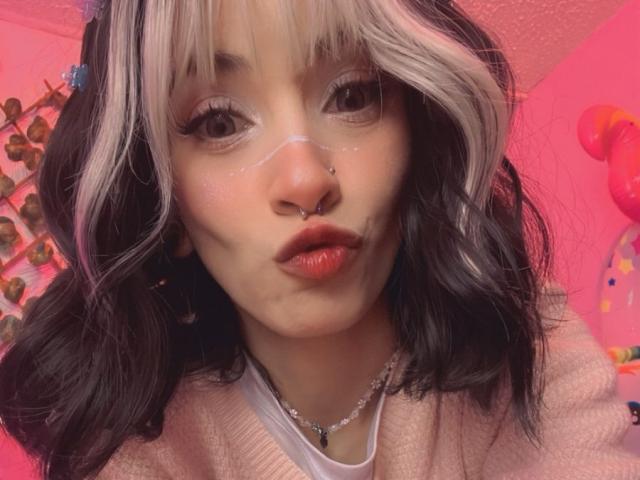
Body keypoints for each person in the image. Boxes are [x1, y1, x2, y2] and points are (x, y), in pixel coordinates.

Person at [1, 0, 638, 479]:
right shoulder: (140, 446)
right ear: (163, 203)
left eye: (352, 95)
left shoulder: (530, 343)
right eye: (218, 122)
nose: (305, 180)